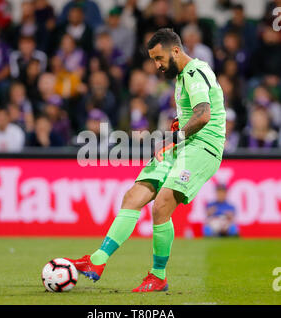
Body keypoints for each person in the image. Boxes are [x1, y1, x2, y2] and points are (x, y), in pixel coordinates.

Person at [67, 28, 226, 292]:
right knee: (133, 196)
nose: (157, 65)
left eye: (159, 58)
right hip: (184, 143)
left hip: (203, 146)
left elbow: (204, 115)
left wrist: (174, 138)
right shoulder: (183, 77)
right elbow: (192, 114)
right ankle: (97, 261)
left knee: (161, 205)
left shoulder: (195, 72)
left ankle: (158, 276)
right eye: (153, 60)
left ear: (175, 50)